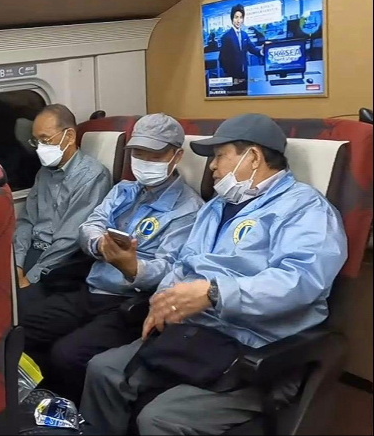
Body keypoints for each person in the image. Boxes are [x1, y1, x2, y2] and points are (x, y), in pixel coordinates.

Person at [80, 113, 348, 435]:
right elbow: (184, 264)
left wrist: (215, 293)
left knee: (160, 417)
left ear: (253, 157)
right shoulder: (215, 207)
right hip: (196, 334)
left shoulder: (305, 208)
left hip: (256, 347)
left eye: (220, 156)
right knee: (103, 370)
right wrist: (163, 300)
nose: (212, 167)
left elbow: (301, 281)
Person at [20, 113, 203, 402]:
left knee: (67, 354)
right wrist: (99, 245)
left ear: (176, 156)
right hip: (92, 286)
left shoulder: (188, 209)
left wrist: (133, 267)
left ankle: (76, 411)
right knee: (22, 327)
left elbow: (172, 268)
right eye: (138, 153)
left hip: (128, 302)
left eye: (154, 155)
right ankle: (41, 400)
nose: (144, 160)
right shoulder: (123, 191)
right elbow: (90, 225)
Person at [15, 104, 111, 288]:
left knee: (20, 300)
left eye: (45, 140)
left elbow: (71, 239)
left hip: (62, 262)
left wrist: (30, 278)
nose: (40, 148)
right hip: (33, 251)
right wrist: (17, 264)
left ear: (70, 136)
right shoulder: (44, 173)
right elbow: (26, 221)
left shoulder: (93, 176)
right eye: (36, 141)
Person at [218, 4, 263, 89]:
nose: (238, 21)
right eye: (236, 17)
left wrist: (261, 51)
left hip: (245, 74)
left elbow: (252, 48)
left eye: (241, 17)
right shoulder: (226, 37)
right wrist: (231, 78)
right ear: (232, 19)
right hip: (233, 77)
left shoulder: (244, 34)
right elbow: (222, 59)